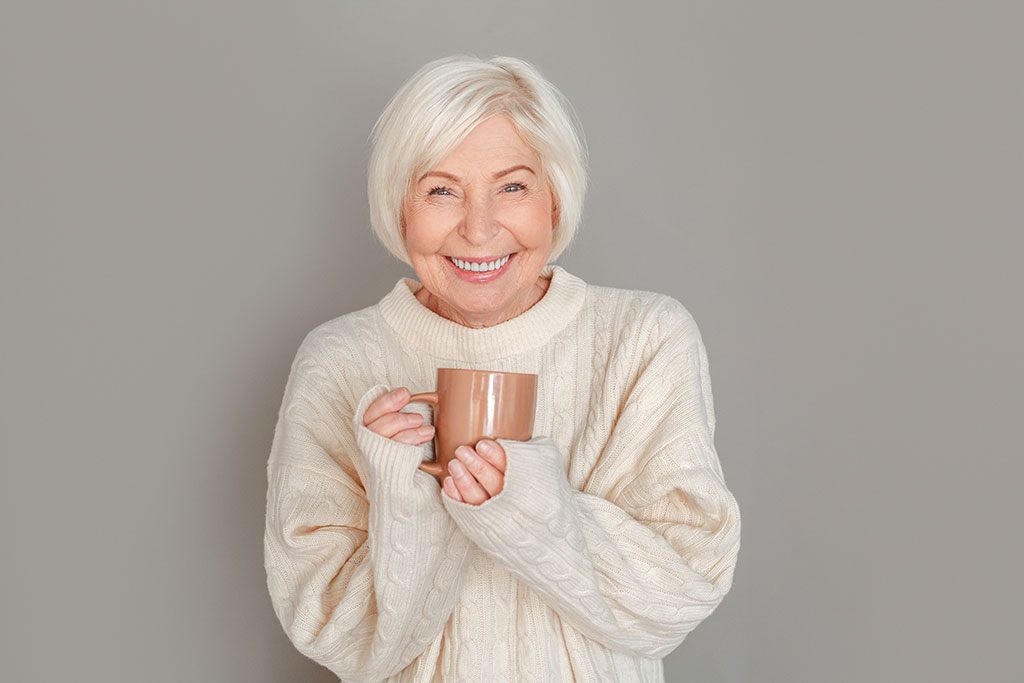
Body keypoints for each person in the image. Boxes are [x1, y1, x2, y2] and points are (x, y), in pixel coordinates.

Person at [263, 54, 741, 683]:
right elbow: (332, 634)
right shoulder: (340, 361)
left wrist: (527, 505)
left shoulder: (644, 339)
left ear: (555, 202)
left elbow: (680, 591)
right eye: (441, 191)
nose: (479, 228)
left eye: (512, 187)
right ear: (400, 209)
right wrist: (407, 503)